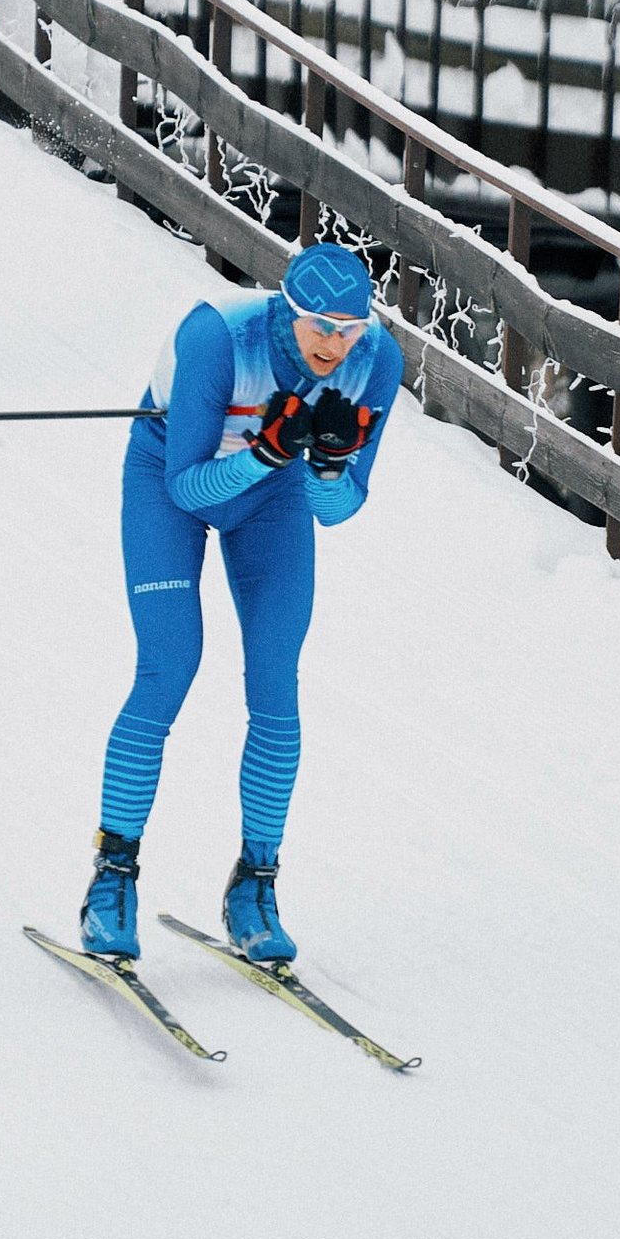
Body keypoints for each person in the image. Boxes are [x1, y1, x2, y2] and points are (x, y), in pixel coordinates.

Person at [77, 242, 403, 966]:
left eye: (350, 328)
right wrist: (266, 451)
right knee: (168, 667)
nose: (334, 344)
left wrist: (323, 464)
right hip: (169, 471)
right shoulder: (217, 337)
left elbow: (337, 509)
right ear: (287, 311)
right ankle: (111, 879)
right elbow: (184, 488)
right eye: (320, 325)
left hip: (274, 495)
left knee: (275, 683)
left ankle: (255, 886)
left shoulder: (376, 360)